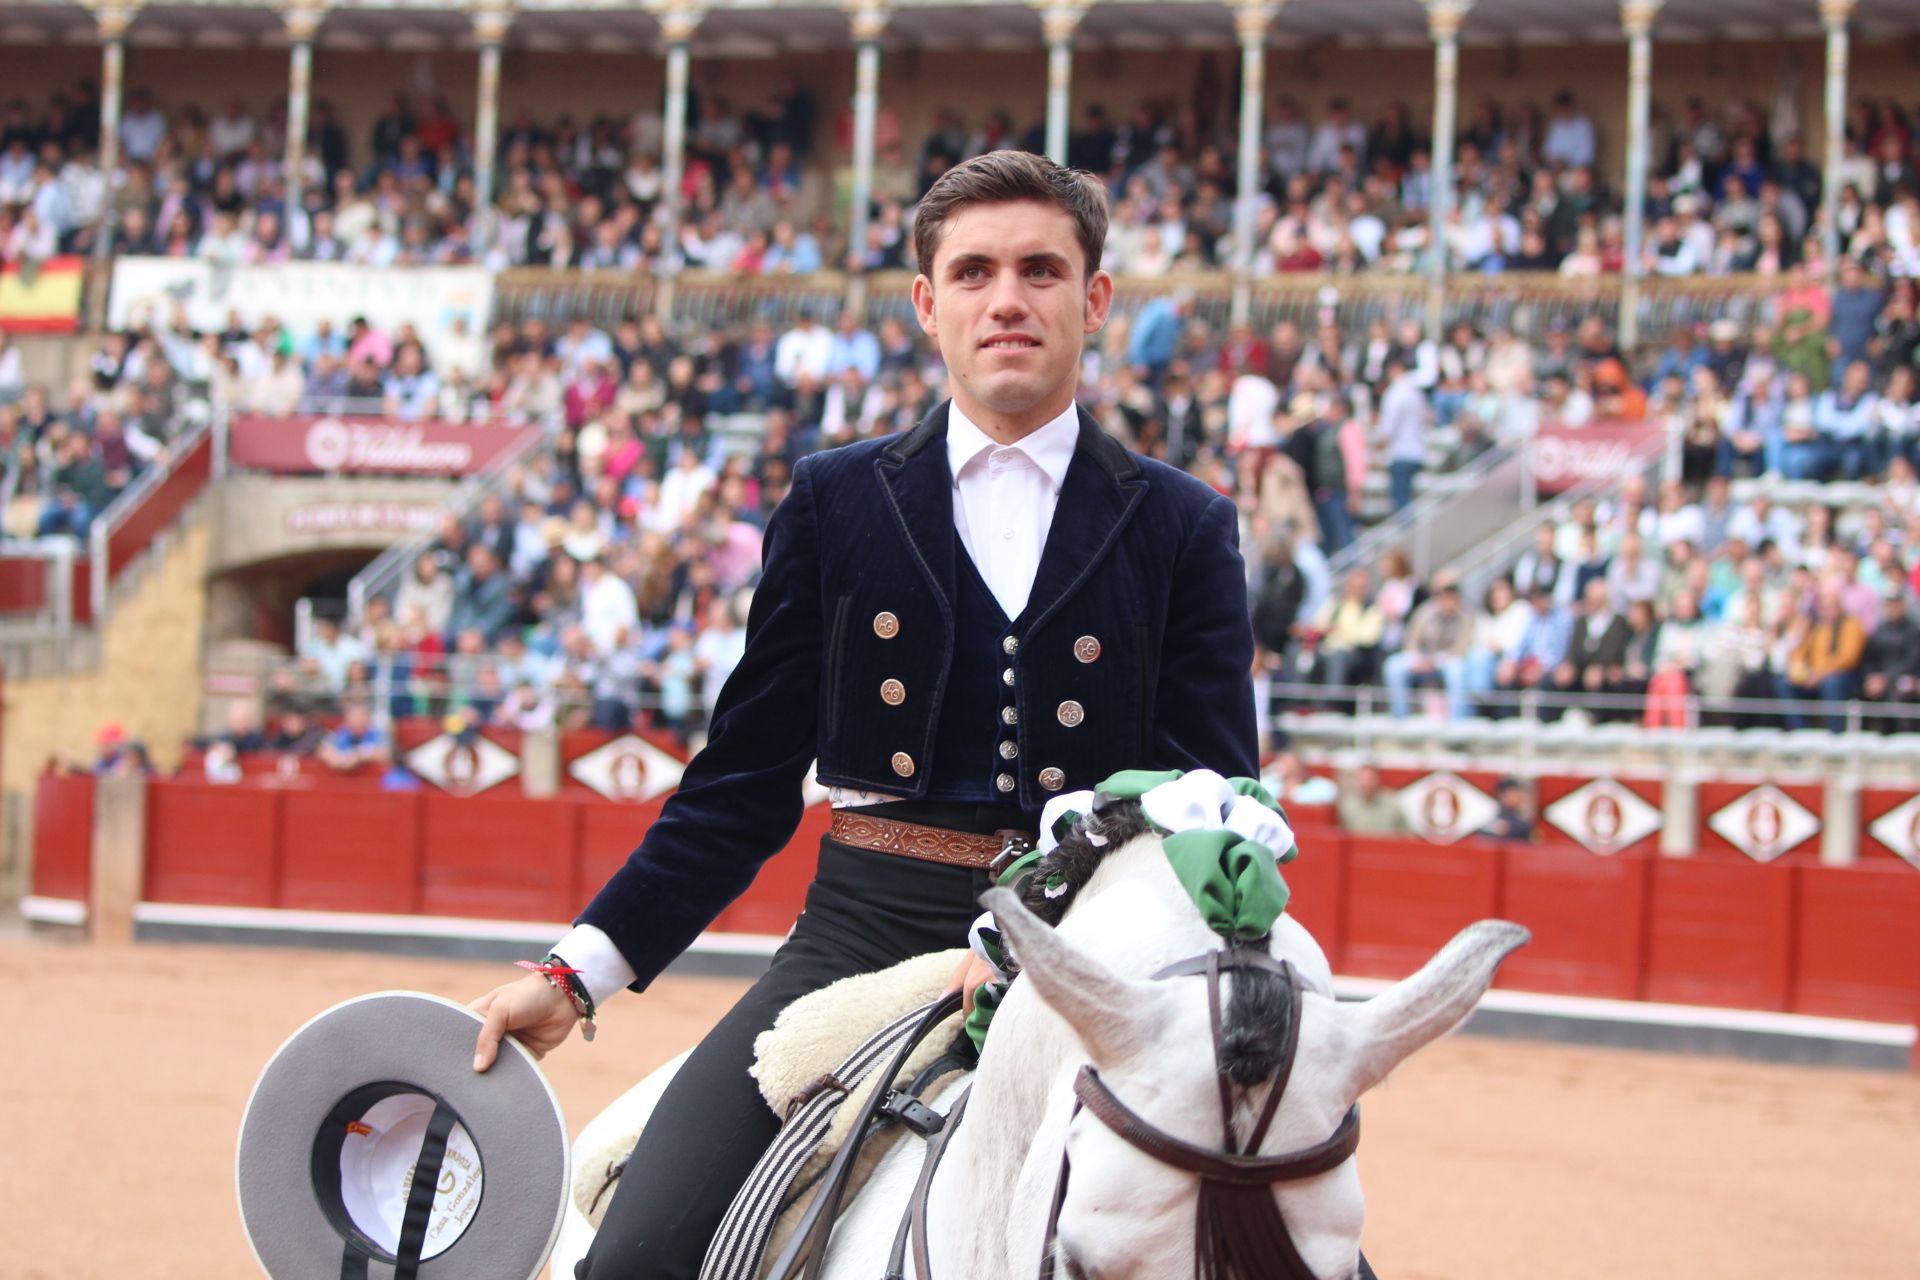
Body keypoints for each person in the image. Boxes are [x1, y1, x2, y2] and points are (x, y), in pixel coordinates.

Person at [470, 151, 1261, 1280]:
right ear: (927, 305)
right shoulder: (836, 500)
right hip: (860, 941)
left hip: (1097, 963)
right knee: (635, 1258)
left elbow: (1215, 802)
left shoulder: (1183, 524)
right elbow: (741, 784)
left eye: (1041, 270)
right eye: (975, 271)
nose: (1008, 299)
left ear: (1093, 302)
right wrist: (573, 975)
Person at [1337, 763, 1407, 834]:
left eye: (1369, 779)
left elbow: (1405, 833)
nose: (1365, 783)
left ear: (1377, 780)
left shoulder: (1392, 805)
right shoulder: (1347, 805)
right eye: (1362, 779)